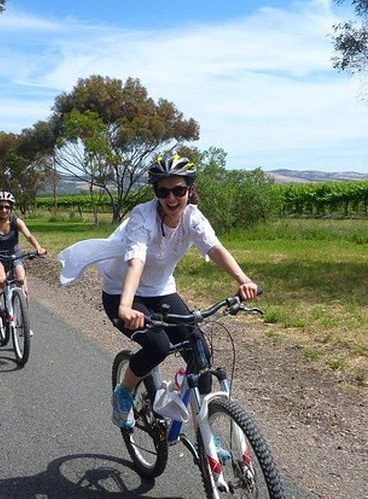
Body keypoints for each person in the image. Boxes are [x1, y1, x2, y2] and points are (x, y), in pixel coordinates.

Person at [56, 153, 258, 429]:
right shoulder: (143, 216)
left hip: (161, 291)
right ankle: (124, 392)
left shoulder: (192, 218)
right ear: (156, 191)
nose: (172, 198)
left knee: (201, 357)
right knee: (158, 347)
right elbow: (135, 261)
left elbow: (215, 248)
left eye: (179, 190)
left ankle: (207, 435)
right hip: (121, 292)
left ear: (190, 189)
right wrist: (126, 307)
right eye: (164, 191)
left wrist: (243, 280)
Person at [0, 191, 47, 314]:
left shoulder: (16, 221)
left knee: (22, 284)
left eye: (7, 207)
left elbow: (29, 235)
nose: (4, 210)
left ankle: (24, 322)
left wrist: (38, 247)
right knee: (1, 279)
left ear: (11, 208)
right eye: (1, 207)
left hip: (14, 255)